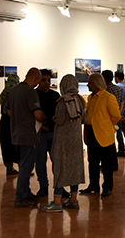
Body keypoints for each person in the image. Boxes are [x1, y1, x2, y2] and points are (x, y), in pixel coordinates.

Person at [42, 74, 86, 212]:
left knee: (60, 168)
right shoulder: (80, 101)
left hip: (62, 141)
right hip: (76, 141)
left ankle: (57, 202)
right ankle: (73, 200)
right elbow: (83, 119)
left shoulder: (62, 102)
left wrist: (54, 118)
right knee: (75, 169)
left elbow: (60, 120)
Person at [6, 67, 47, 208]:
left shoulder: (13, 91)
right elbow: (38, 115)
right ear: (36, 79)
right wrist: (45, 119)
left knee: (23, 164)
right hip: (28, 135)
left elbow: (9, 112)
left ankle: (26, 191)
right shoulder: (30, 92)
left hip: (16, 134)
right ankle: (21, 197)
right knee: (26, 167)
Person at [80, 73, 121, 197]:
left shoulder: (108, 97)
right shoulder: (91, 98)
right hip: (92, 134)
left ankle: (107, 187)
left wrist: (107, 127)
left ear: (97, 84)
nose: (87, 85)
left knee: (107, 164)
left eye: (90, 83)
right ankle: (93, 186)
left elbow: (116, 116)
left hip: (104, 135)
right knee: (92, 161)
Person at [35, 69, 61, 198]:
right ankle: (43, 187)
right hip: (40, 133)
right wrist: (42, 126)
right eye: (43, 80)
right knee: (40, 161)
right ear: (38, 80)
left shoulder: (55, 96)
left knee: (57, 160)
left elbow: (59, 114)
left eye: (48, 80)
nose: (46, 83)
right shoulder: (34, 95)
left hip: (54, 133)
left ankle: (59, 187)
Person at [0, 73, 20, 176]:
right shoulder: (15, 94)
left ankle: (9, 168)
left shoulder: (3, 93)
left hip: (4, 122)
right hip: (13, 122)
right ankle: (22, 169)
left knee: (6, 145)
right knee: (17, 146)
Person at [102, 69, 123, 170]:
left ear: (104, 78)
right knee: (112, 142)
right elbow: (121, 101)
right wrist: (118, 113)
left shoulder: (106, 90)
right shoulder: (117, 88)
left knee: (107, 143)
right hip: (116, 116)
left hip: (108, 119)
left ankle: (110, 164)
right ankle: (113, 164)